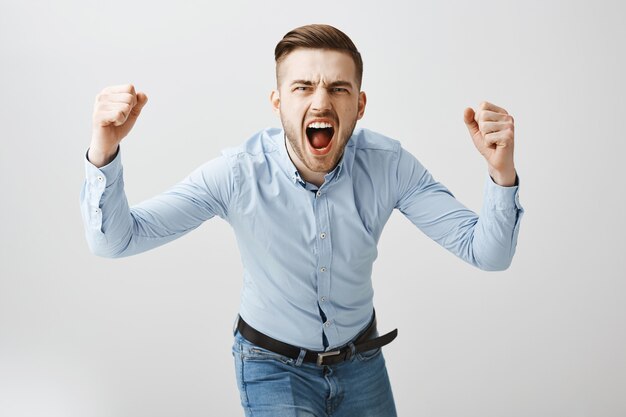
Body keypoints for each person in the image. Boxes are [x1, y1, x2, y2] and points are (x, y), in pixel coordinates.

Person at [80, 24, 523, 417]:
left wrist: (500, 171)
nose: (321, 101)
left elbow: (486, 253)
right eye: (303, 87)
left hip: (361, 364)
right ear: (277, 102)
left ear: (361, 104)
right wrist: (104, 147)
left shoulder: (391, 167)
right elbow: (117, 240)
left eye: (339, 88)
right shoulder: (237, 174)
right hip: (272, 368)